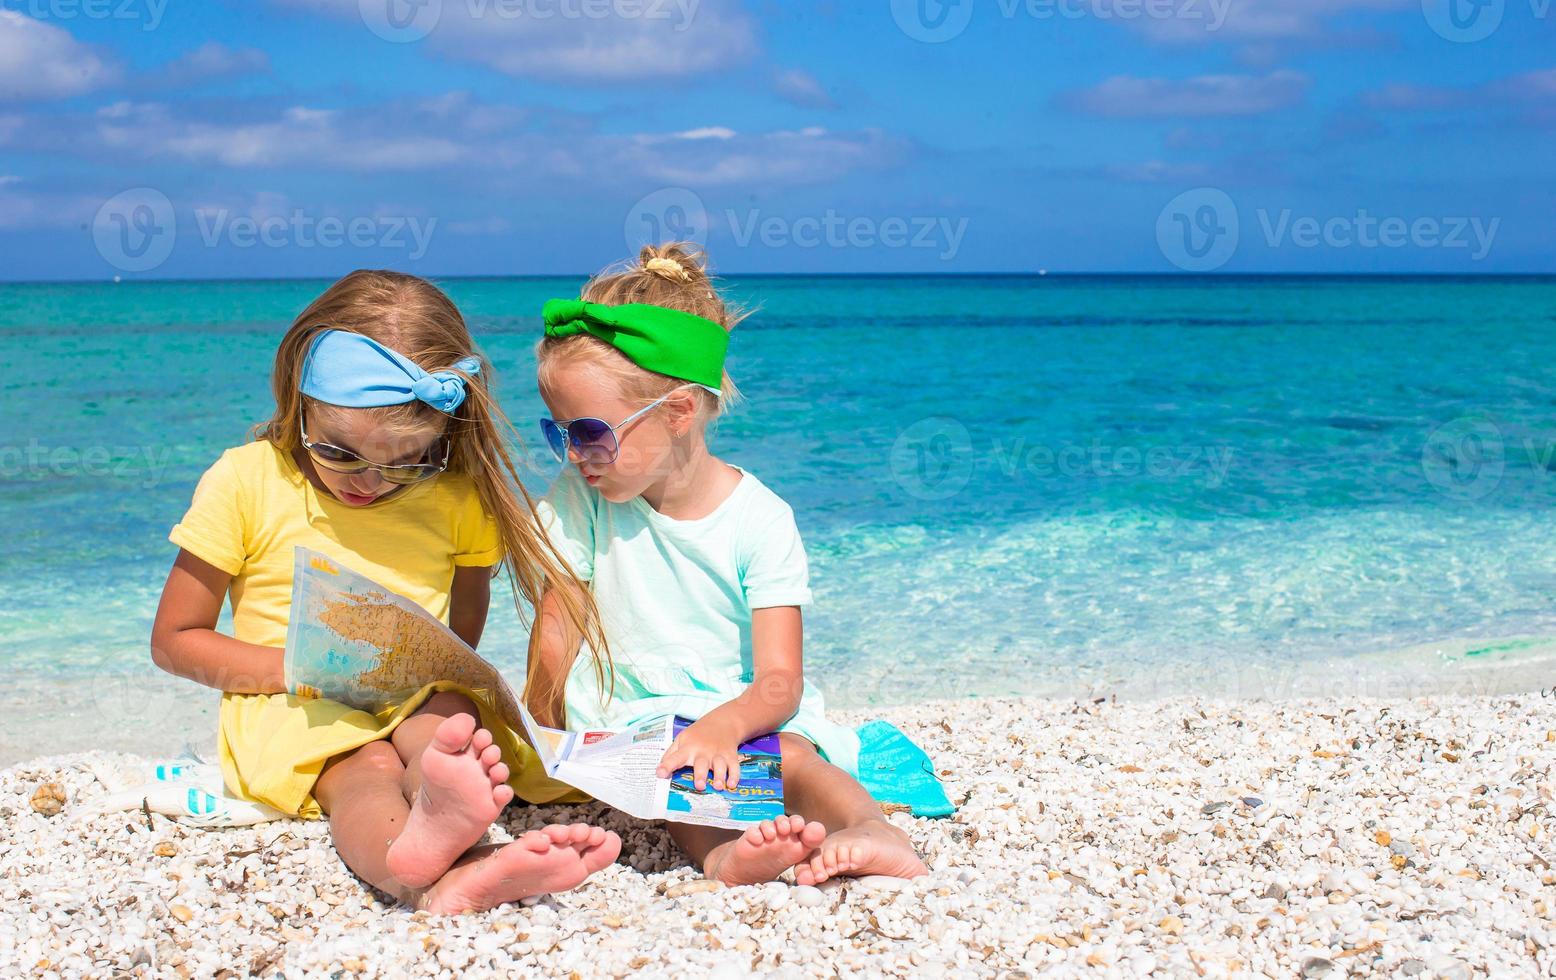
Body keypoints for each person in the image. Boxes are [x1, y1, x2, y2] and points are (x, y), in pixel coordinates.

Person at [150, 270, 619, 913]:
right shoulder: (247, 480)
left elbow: (461, 638)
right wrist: (298, 670)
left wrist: (433, 676)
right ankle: (412, 868)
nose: (368, 483)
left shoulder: (457, 495)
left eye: (405, 462)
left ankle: (450, 812)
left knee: (447, 724)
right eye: (340, 453)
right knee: (364, 770)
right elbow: (174, 640)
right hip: (289, 698)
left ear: (443, 435)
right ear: (300, 399)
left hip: (408, 692)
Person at [529, 244, 927, 886]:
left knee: (791, 756)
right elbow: (557, 631)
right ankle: (722, 857)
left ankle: (875, 829)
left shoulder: (759, 519)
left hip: (745, 708)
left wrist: (725, 725)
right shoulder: (583, 500)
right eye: (561, 434)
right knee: (672, 766)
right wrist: (542, 741)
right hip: (637, 716)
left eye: (591, 433)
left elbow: (780, 682)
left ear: (680, 412)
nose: (576, 456)